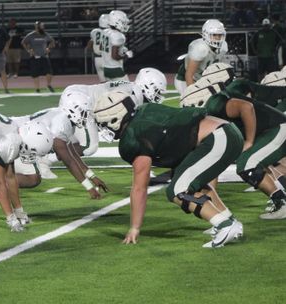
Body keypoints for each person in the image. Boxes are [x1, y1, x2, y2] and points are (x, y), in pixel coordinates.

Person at [94, 91, 244, 248]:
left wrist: (134, 228)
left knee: (178, 190)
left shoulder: (134, 135)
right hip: (227, 132)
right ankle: (228, 219)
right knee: (192, 184)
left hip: (217, 138)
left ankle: (224, 225)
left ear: (114, 118)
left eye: (103, 123)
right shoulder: (145, 111)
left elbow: (139, 188)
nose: (103, 128)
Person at [181, 70, 286, 220]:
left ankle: (281, 202)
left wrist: (249, 141)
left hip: (278, 127)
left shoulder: (215, 104)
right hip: (271, 129)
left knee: (247, 164)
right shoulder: (214, 108)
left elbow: (246, 107)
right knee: (255, 163)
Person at [11, 91, 109, 198]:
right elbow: (68, 161)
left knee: (23, 173)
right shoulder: (61, 123)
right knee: (32, 178)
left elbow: (73, 155)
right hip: (16, 136)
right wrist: (89, 188)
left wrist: (92, 176)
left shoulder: (65, 119)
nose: (86, 116)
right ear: (73, 110)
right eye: (83, 112)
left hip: (19, 136)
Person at [174, 19, 228, 95]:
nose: (218, 38)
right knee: (193, 103)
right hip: (185, 79)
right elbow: (189, 74)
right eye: (214, 35)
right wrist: (193, 93)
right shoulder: (200, 48)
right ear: (206, 34)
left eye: (220, 35)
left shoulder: (223, 47)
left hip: (203, 79)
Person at [22, 21, 55, 93]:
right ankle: (37, 89)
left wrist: (48, 48)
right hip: (35, 56)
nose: (43, 27)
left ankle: (48, 85)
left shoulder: (45, 35)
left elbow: (52, 41)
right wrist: (29, 50)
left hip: (44, 55)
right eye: (41, 26)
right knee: (35, 73)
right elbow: (23, 42)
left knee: (49, 72)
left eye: (43, 26)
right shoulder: (31, 35)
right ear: (37, 27)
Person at [100, 10, 133, 82]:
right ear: (117, 22)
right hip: (115, 68)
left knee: (112, 91)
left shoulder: (105, 32)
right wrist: (126, 56)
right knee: (127, 89)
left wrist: (121, 50)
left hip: (106, 67)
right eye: (123, 22)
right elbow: (114, 56)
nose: (125, 24)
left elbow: (101, 47)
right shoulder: (118, 36)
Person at [86, 14, 109, 82]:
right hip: (107, 59)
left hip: (97, 59)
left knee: (103, 82)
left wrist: (95, 50)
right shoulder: (110, 32)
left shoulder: (94, 32)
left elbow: (89, 46)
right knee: (112, 82)